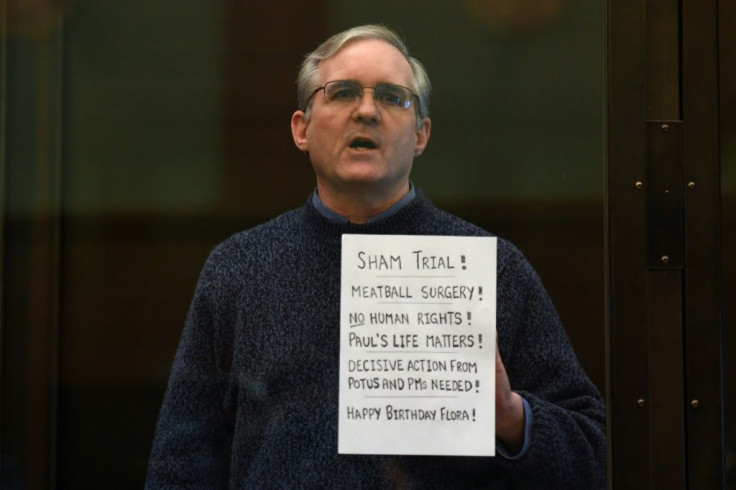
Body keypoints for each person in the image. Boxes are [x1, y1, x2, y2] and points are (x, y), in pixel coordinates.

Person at [145, 24, 606, 489]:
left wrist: (512, 418)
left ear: (422, 134)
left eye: (391, 97)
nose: (366, 111)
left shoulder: (493, 268)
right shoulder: (239, 268)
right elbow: (180, 463)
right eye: (342, 93)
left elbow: (592, 454)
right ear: (301, 129)